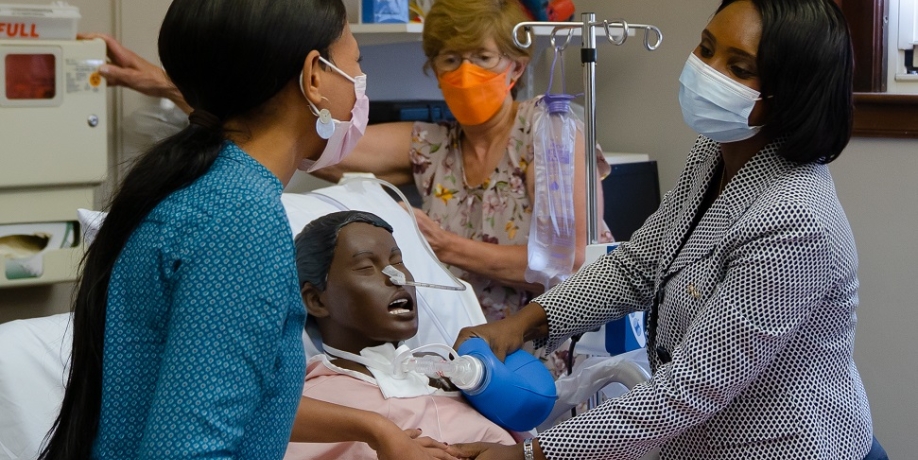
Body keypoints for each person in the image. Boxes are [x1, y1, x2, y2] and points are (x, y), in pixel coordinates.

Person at [450, 0, 887, 459]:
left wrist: (533, 455)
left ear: (791, 93)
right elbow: (637, 268)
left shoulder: (796, 220)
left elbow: (696, 384)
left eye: (738, 68)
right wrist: (522, 324)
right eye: (706, 47)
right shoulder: (715, 154)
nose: (706, 70)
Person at [40, 1, 455, 459]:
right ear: (315, 76)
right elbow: (190, 449)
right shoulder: (241, 218)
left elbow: (225, 394)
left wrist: (376, 428)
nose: (360, 83)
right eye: (357, 62)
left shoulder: (199, 185)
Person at [82, 0, 613, 331]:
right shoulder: (432, 143)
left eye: (483, 57)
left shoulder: (550, 134)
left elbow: (568, 260)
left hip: (540, 335)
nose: (465, 71)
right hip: (448, 339)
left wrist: (446, 246)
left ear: (517, 67)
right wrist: (172, 84)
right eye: (450, 60)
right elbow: (308, 133)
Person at [284, 210, 516, 459]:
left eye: (396, 262)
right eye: (365, 267)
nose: (398, 277)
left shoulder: (457, 380)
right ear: (316, 300)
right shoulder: (311, 406)